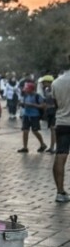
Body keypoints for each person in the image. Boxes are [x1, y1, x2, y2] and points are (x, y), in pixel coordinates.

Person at [51, 59, 70, 203]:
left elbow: (56, 103)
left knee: (60, 154)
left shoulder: (56, 82)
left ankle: (60, 192)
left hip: (62, 122)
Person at [18, 80, 48, 153]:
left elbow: (43, 105)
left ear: (31, 90)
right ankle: (25, 147)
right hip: (26, 115)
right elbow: (25, 104)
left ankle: (42, 144)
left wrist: (32, 105)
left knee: (35, 131)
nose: (26, 91)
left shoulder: (38, 96)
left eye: (27, 90)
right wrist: (22, 104)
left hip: (35, 116)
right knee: (25, 131)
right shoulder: (26, 95)